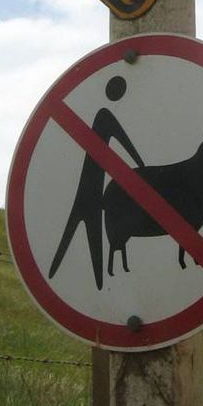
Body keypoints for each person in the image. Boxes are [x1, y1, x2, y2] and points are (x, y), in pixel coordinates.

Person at [48, 75, 143, 289]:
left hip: (92, 188)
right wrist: (140, 165)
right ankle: (91, 283)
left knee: (81, 242)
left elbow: (124, 143)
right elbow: (125, 144)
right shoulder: (105, 116)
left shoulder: (104, 116)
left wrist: (139, 164)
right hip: (90, 189)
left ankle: (94, 282)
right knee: (82, 241)